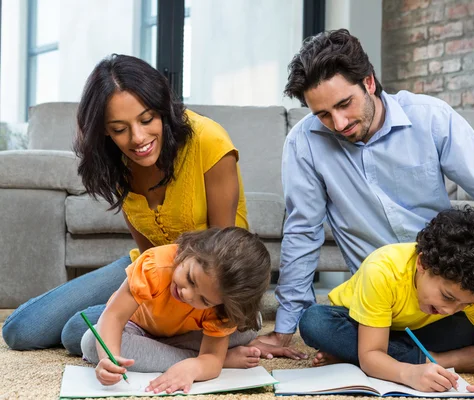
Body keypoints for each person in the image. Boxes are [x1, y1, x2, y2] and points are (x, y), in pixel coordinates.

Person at [257, 29, 474, 368]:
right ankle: (469, 338)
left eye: (344, 104)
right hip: (395, 297)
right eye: (324, 115)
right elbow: (304, 233)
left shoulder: (430, 117)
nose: (339, 122)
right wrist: (285, 328)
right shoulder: (304, 144)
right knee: (318, 325)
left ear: (369, 82)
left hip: (467, 265)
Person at [2, 54, 301, 364]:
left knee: (79, 329)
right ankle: (209, 354)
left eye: (146, 120)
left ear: (162, 109)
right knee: (20, 331)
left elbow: (221, 250)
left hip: (209, 280)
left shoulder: (209, 141)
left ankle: (209, 354)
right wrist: (141, 298)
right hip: (156, 271)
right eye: (119, 129)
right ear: (104, 131)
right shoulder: (115, 160)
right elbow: (147, 254)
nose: (138, 138)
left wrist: (143, 312)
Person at [300, 208, 474, 399]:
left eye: (465, 305)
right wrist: (409, 373)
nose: (450, 309)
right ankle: (441, 359)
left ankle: (348, 354)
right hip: (357, 324)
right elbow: (371, 354)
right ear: (422, 264)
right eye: (447, 297)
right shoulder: (382, 269)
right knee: (315, 322)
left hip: (418, 332)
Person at [81, 228, 271, 394]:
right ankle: (220, 358)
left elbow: (212, 356)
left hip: (184, 334)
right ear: (191, 250)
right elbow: (114, 316)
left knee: (249, 323)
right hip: (136, 328)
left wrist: (195, 368)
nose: (187, 294)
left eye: (204, 300)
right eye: (190, 278)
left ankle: (198, 358)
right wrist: (109, 359)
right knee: (92, 341)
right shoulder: (155, 265)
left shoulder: (222, 308)